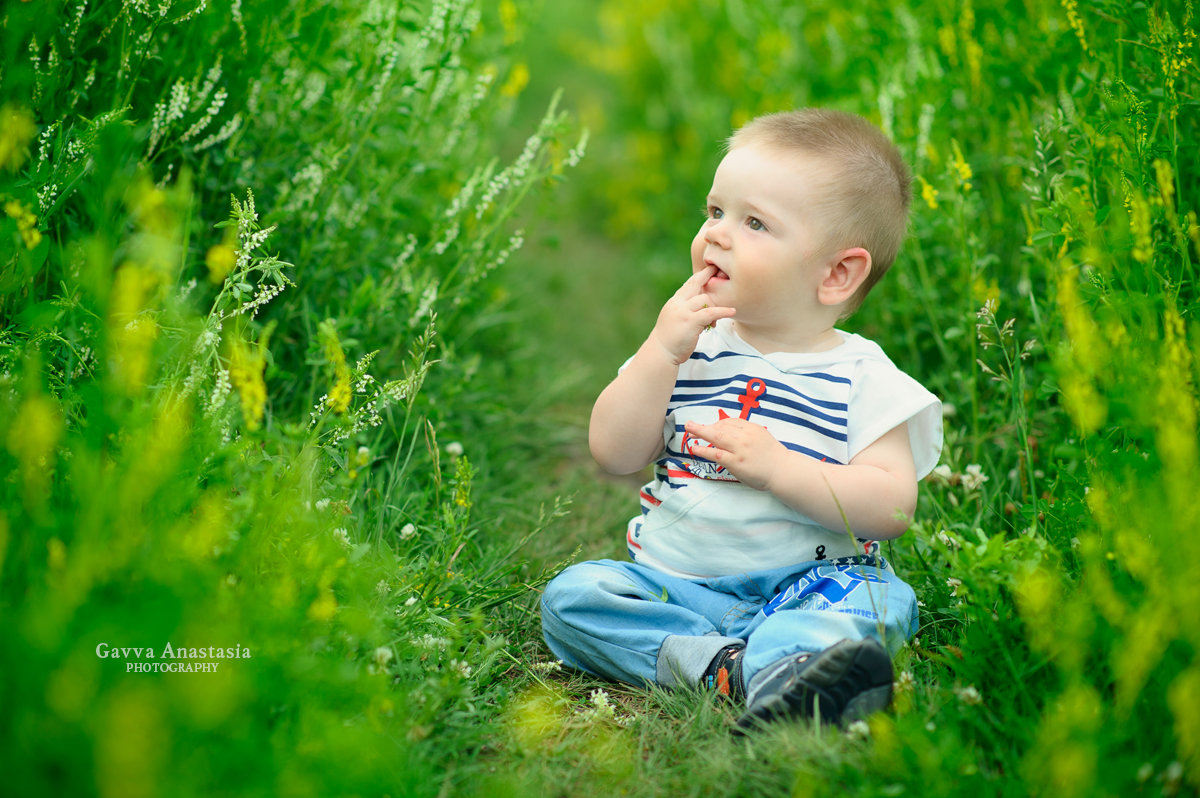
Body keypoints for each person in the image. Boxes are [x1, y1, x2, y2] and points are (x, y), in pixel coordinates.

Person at [540, 108, 943, 731]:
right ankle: (735, 668)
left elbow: (892, 509)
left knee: (880, 599)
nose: (719, 235)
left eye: (755, 222)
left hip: (810, 585)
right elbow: (614, 453)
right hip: (678, 588)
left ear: (836, 274)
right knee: (573, 597)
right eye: (715, 211)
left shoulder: (866, 378)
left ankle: (787, 662)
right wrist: (659, 352)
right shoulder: (687, 346)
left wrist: (782, 469)